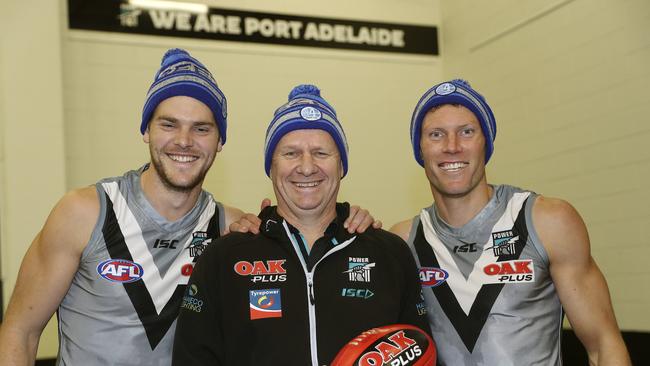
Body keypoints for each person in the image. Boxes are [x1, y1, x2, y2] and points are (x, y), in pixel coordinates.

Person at [0, 49, 376, 366]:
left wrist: (351, 222)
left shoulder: (231, 227)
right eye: (169, 124)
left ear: (219, 142)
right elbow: (21, 330)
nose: (184, 141)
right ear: (146, 129)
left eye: (201, 128)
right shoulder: (84, 212)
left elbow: (302, 232)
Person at [172, 84, 431, 366]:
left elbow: (419, 351)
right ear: (271, 166)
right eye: (291, 153)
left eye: (321, 153)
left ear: (341, 166)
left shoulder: (390, 254)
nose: (307, 167)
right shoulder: (223, 257)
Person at [390, 79, 631, 365]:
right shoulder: (404, 240)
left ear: (486, 143)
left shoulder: (547, 221)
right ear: (420, 149)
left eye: (466, 132)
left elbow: (604, 345)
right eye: (436, 134)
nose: (451, 146)